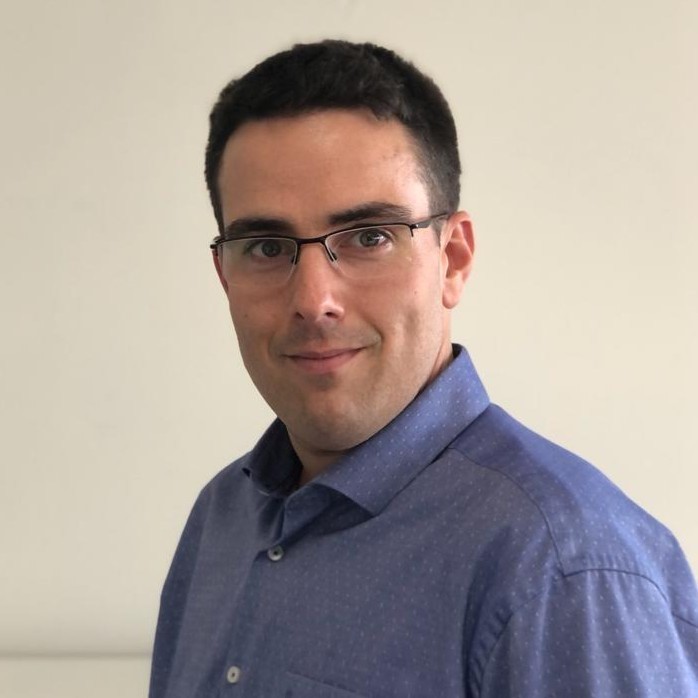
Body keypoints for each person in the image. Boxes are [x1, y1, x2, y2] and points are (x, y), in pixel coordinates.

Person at [149, 40, 698, 697]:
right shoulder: (221, 518)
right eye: (266, 247)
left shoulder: (564, 569)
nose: (314, 301)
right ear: (224, 275)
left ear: (453, 258)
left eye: (369, 237)